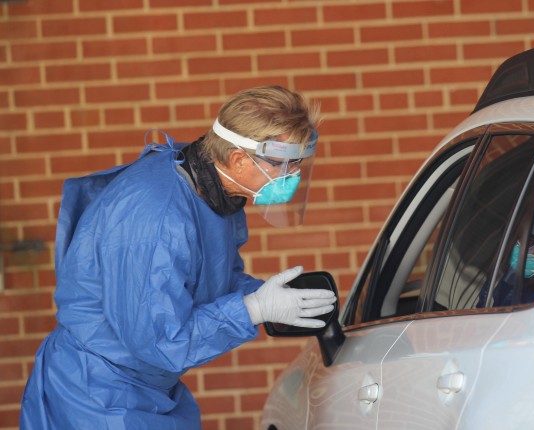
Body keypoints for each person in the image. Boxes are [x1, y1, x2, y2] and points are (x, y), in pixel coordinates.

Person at [20, 85, 337, 429]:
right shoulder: (157, 217)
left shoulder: (212, 189)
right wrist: (255, 309)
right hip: (99, 395)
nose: (292, 176)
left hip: (146, 388)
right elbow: (159, 340)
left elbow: (212, 278)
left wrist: (266, 297)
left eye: (297, 164)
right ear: (239, 159)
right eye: (283, 164)